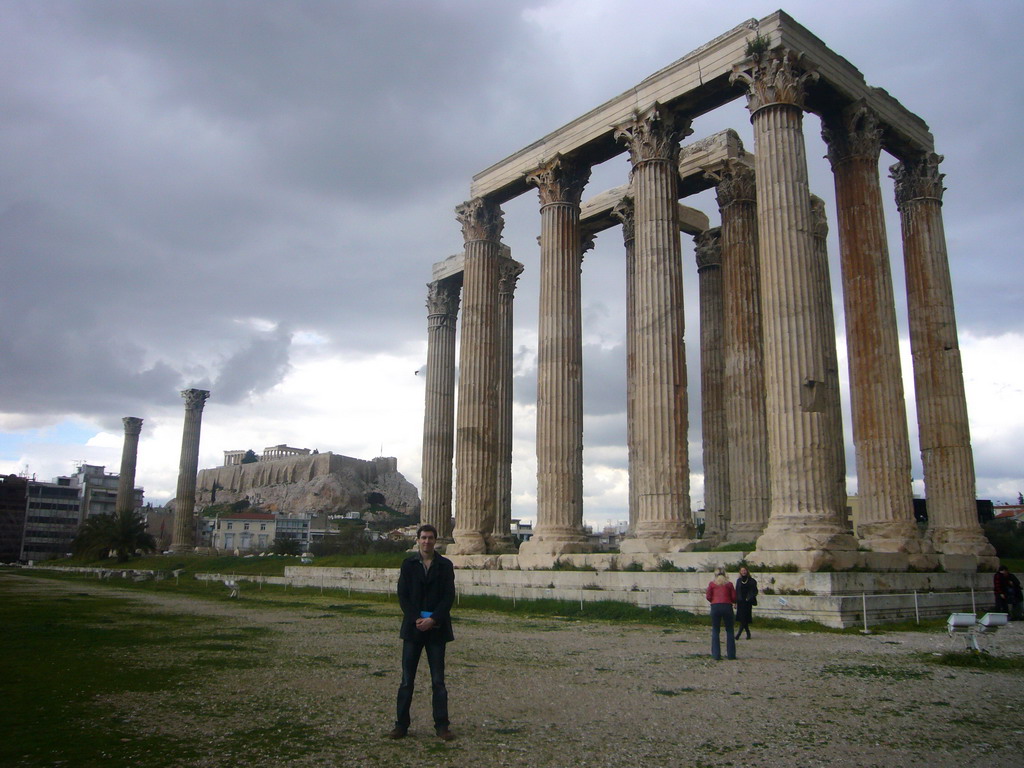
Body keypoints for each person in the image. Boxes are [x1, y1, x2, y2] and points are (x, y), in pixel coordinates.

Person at [390, 524, 456, 741]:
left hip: (436, 629)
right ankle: (401, 725)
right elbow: (403, 595)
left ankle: (442, 725)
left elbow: (448, 597)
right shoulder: (408, 564)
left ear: (435, 540)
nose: (427, 541)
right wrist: (416, 618)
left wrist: (433, 619)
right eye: (423, 538)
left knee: (438, 681)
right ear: (418, 540)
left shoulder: (445, 565)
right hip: (414, 628)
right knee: (407, 680)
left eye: (430, 538)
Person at [705, 566, 736, 660]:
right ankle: (731, 655)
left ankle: (716, 655)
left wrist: (714, 601)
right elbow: (734, 597)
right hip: (727, 606)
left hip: (715, 606)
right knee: (730, 630)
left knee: (715, 630)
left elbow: (708, 596)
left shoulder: (712, 584)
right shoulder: (729, 584)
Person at [734, 566, 758, 640]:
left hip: (748, 602)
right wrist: (735, 602)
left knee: (744, 618)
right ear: (740, 572)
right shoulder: (738, 581)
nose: (743, 572)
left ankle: (738, 634)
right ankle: (748, 633)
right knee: (742, 619)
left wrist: (750, 597)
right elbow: (736, 591)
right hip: (740, 602)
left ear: (747, 571)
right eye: (742, 571)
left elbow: (755, 591)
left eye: (744, 570)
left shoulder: (752, 581)